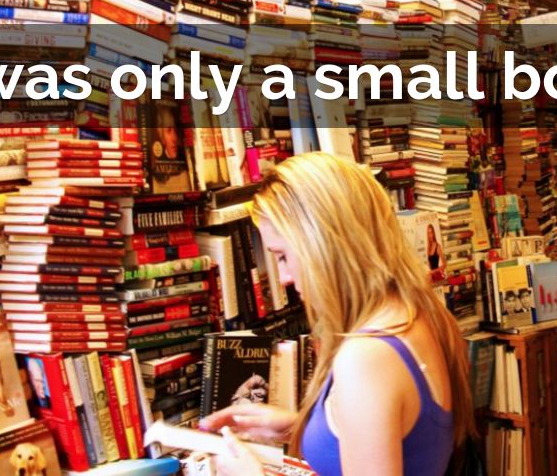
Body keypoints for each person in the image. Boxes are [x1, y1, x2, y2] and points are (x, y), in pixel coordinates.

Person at [200, 152, 473, 476]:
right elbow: (403, 435)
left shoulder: (367, 358)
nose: (284, 277)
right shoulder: (419, 313)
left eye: (283, 256)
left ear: (322, 244)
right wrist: (301, 427)